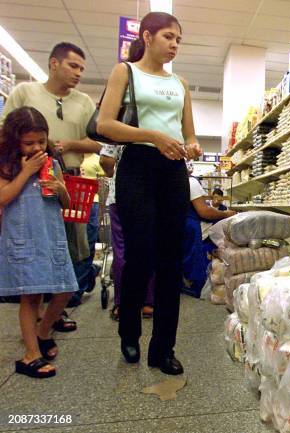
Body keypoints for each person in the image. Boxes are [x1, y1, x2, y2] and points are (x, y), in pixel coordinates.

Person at [97, 12, 202, 375]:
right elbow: (105, 124)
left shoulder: (181, 84)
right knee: (140, 255)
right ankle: (129, 332)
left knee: (171, 262)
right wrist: (152, 136)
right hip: (137, 167)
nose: (174, 44)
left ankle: (163, 349)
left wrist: (192, 146)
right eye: (168, 37)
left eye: (179, 39)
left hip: (172, 171)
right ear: (147, 36)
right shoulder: (125, 72)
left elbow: (189, 134)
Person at [1, 42, 100, 327]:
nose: (79, 73)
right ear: (54, 63)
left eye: (82, 68)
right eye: (73, 65)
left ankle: (57, 309)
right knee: (33, 246)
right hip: (24, 178)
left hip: (67, 175)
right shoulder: (24, 92)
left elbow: (98, 141)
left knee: (70, 246)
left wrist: (69, 144)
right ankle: (38, 311)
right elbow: (5, 131)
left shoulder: (83, 102)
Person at [0, 107, 77, 378]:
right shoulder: (7, 164)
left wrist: (61, 189)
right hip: (23, 237)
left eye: (41, 142)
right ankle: (30, 354)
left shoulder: (53, 163)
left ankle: (43, 331)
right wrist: (25, 172)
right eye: (29, 143)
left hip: (51, 235)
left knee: (66, 288)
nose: (36, 148)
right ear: (14, 141)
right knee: (30, 295)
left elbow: (66, 204)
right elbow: (3, 197)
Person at [99, 144, 154, 321]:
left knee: (123, 251)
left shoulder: (119, 124)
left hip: (122, 195)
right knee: (149, 248)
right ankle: (148, 302)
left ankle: (123, 304)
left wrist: (112, 173)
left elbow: (106, 159)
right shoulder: (157, 125)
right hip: (150, 196)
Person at [183, 167, 234, 298]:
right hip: (190, 226)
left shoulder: (174, 181)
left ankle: (184, 284)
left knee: (184, 255)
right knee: (193, 257)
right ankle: (195, 287)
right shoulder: (192, 182)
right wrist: (225, 214)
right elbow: (204, 212)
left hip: (180, 223)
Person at [77, 153, 104, 296]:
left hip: (91, 201)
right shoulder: (69, 158)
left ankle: (82, 283)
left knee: (87, 242)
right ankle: (91, 271)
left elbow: (107, 176)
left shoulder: (96, 158)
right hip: (72, 200)